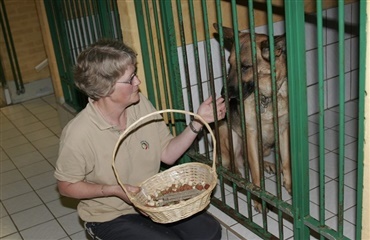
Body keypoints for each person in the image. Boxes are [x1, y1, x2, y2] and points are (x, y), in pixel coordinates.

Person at [54, 39, 226, 240]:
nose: (138, 82)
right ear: (104, 88)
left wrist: (197, 123)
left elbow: (168, 154)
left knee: (210, 232)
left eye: (135, 73)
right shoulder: (79, 134)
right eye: (130, 78)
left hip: (153, 202)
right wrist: (114, 190)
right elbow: (65, 186)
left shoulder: (139, 105)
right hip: (109, 216)